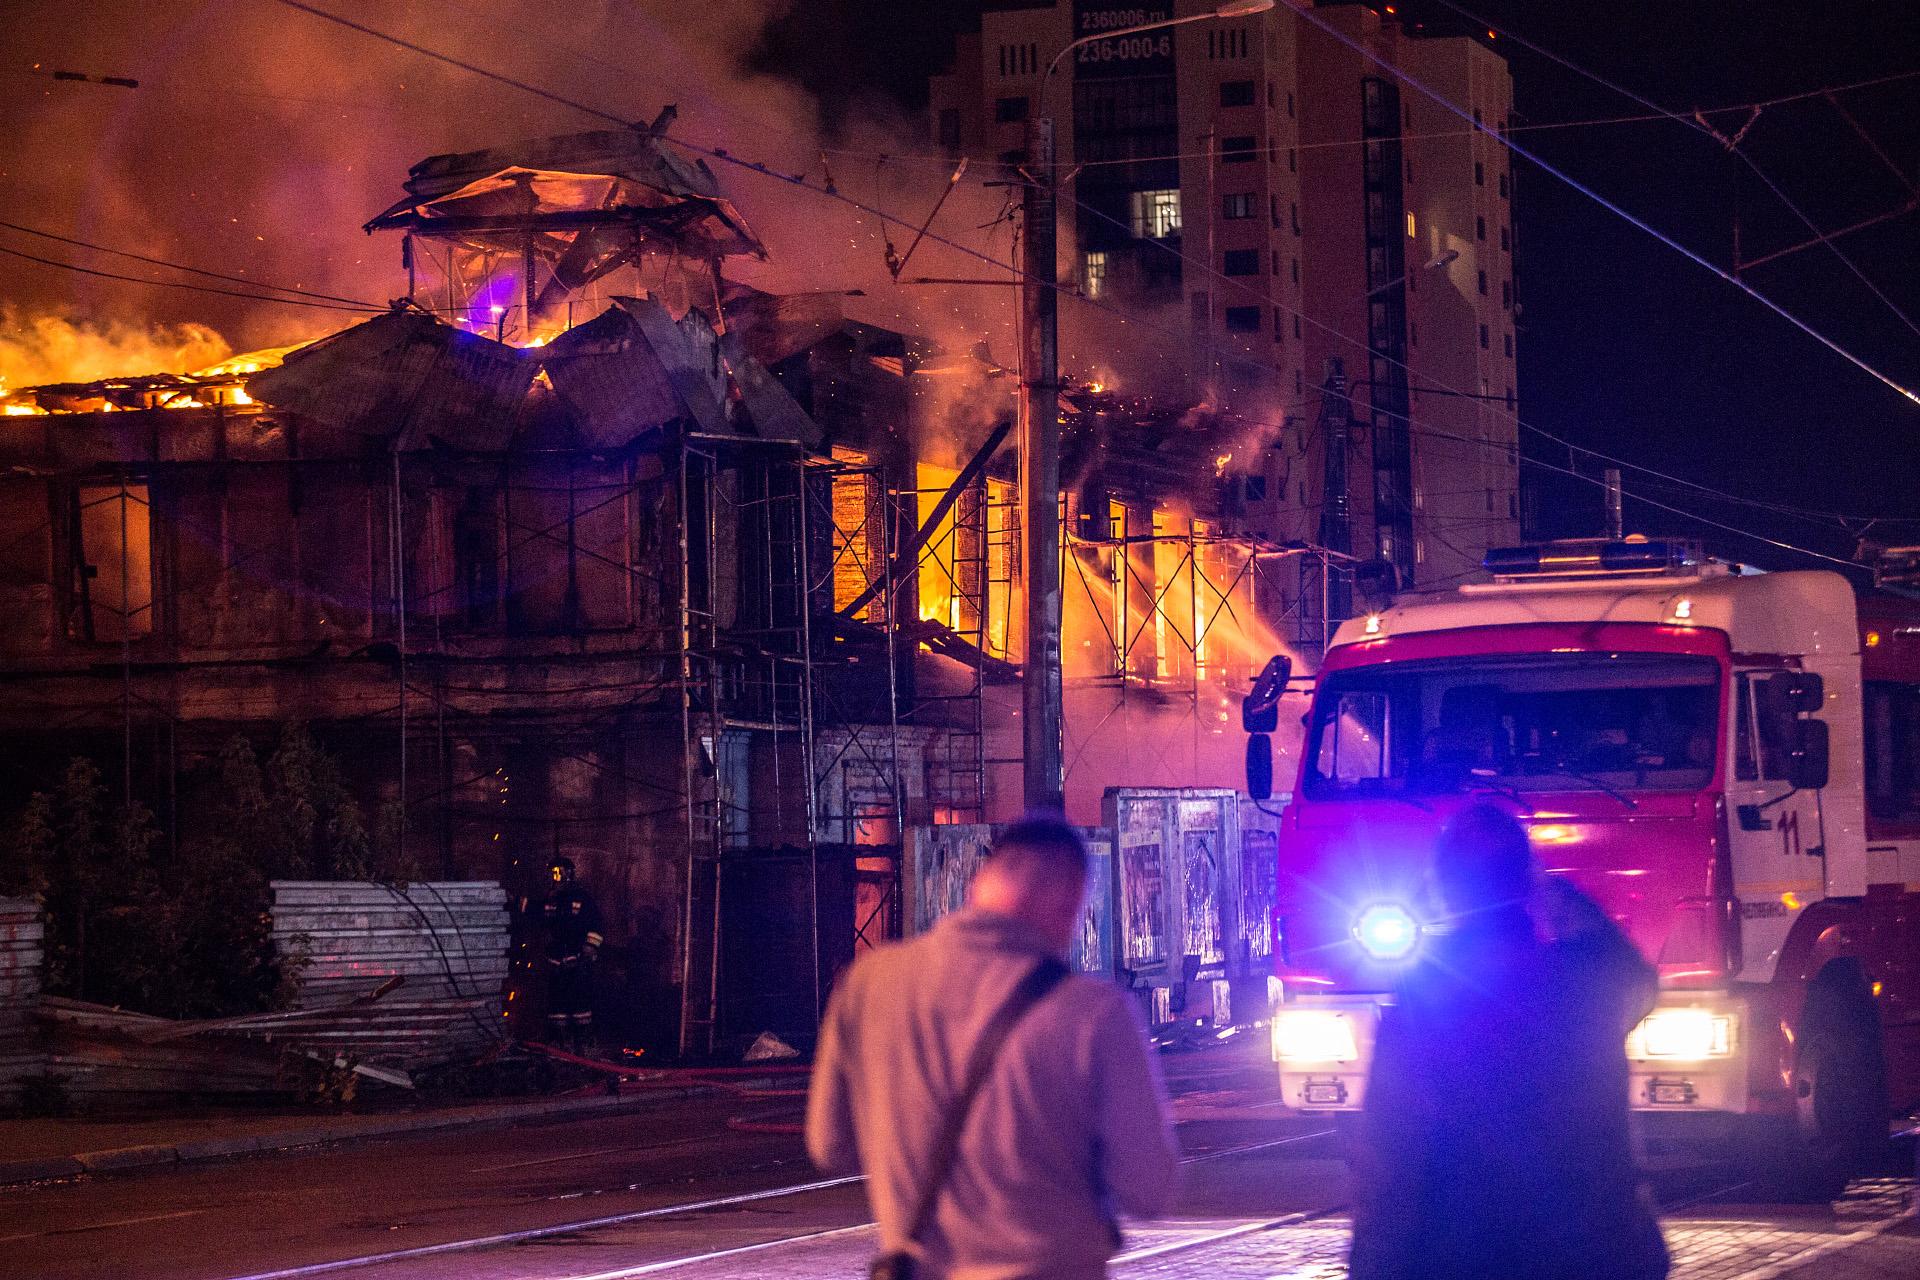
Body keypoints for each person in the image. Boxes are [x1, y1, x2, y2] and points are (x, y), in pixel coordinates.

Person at [806, 814, 1179, 1280]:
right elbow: (1148, 1190)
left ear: (979, 887)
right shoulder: (1095, 1013)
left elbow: (829, 1145)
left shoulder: (866, 985)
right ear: (1067, 900)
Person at [1348, 803, 1669, 1280]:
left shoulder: (1422, 998)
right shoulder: (1578, 981)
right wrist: (1552, 892)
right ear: (1525, 881)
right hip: (1581, 1251)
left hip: (1454, 1253)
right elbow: (1635, 978)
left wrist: (1374, 1259)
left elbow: (1388, 1149)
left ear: (1443, 888)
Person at [536, 856, 603, 1055]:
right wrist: (516, 903)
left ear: (570, 873)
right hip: (557, 959)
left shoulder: (582, 898)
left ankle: (584, 1045)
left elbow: (596, 923)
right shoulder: (552, 899)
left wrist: (590, 945)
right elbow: (537, 912)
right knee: (557, 1006)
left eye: (559, 872)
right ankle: (559, 1045)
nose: (556, 877)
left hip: (578, 959)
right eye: (553, 873)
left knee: (581, 1005)